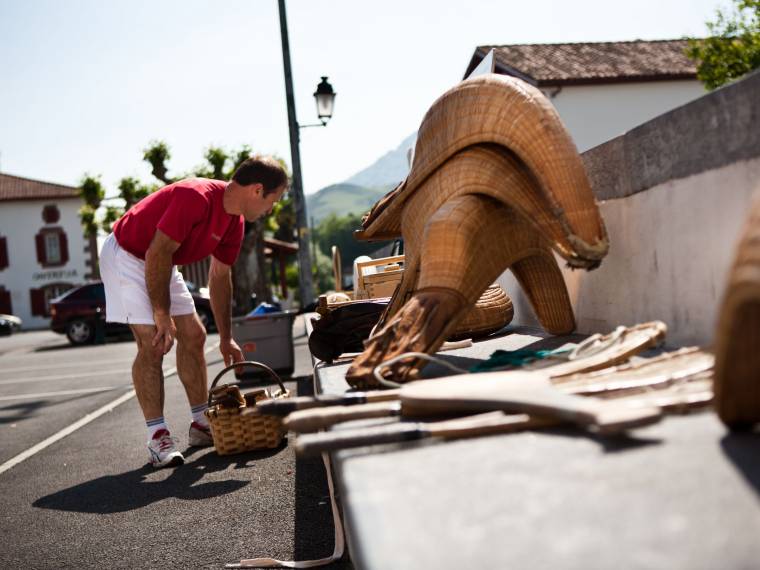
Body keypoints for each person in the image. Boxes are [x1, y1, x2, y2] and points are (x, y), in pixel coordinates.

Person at [99, 156, 288, 468]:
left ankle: (201, 423)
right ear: (257, 190)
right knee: (154, 341)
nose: (271, 210)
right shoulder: (195, 197)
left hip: (163, 259)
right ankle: (157, 435)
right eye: (274, 201)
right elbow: (156, 251)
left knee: (195, 335)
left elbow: (219, 278)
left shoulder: (235, 222)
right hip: (129, 254)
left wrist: (227, 338)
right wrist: (162, 314)